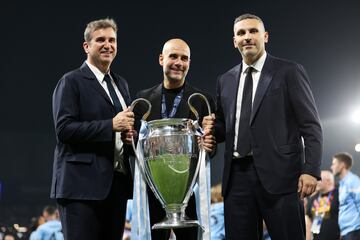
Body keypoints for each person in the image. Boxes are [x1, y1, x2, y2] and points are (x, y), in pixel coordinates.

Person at [211, 13, 323, 239]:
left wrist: (310, 170)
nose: (247, 37)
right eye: (241, 33)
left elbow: (311, 126)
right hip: (237, 179)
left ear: (265, 36)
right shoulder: (225, 80)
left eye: (253, 31)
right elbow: (225, 129)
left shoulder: (289, 71)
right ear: (234, 41)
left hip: (281, 176)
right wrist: (210, 127)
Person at [51, 18, 135, 240]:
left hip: (116, 186)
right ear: (86, 46)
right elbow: (64, 129)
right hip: (81, 187)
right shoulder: (70, 81)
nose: (108, 45)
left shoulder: (121, 84)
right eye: (100, 40)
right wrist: (110, 125)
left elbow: (122, 127)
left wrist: (129, 136)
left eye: (112, 40)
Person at [133, 38, 216, 240]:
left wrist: (209, 146)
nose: (179, 62)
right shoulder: (143, 100)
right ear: (161, 59)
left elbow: (209, 150)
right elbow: (135, 148)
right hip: (152, 194)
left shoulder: (201, 100)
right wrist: (130, 138)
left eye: (184, 58)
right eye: (173, 56)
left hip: (188, 195)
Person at [331, 152, 360, 239]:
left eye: (334, 164)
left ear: (342, 165)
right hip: (346, 232)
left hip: (355, 231)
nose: (331, 167)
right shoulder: (342, 184)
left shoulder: (353, 181)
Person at [305, 170, 340, 240]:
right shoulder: (313, 198)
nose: (316, 182)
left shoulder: (340, 195)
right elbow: (308, 220)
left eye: (318, 180)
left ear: (328, 181)